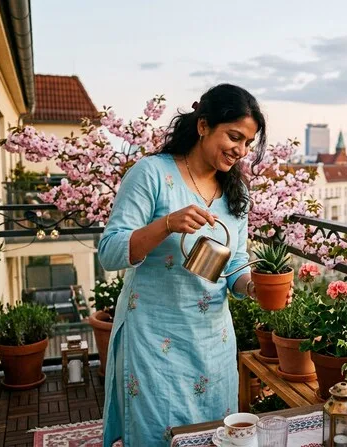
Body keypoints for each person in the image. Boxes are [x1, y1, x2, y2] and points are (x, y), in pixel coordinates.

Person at [98, 84, 287, 446]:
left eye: (248, 142)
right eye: (234, 136)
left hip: (212, 342)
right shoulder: (151, 174)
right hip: (154, 339)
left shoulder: (237, 194)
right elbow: (109, 251)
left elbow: (236, 265)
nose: (241, 150)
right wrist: (166, 224)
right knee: (158, 433)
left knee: (216, 434)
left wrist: (253, 286)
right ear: (203, 126)